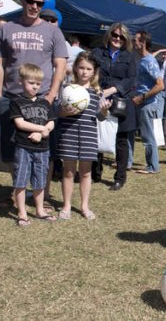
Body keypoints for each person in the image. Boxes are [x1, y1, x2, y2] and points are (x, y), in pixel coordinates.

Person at [0, 0, 68, 202]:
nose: (34, 6)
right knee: (12, 152)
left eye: (39, 3)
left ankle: (39, 197)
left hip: (42, 99)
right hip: (12, 97)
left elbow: (60, 66)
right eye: (30, 1)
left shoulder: (53, 31)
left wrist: (51, 97)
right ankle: (18, 195)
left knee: (43, 151)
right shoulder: (6, 28)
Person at [58, 52, 111, 220]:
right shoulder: (67, 89)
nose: (84, 72)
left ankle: (84, 206)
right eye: (81, 68)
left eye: (89, 69)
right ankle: (66, 205)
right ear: (75, 68)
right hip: (69, 134)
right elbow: (57, 112)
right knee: (68, 171)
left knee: (86, 172)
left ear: (94, 72)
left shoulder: (98, 92)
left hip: (88, 136)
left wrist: (104, 111)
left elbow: (100, 118)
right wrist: (65, 112)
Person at [91, 23, 137, 190]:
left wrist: (111, 90)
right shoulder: (97, 53)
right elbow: (91, 73)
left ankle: (120, 177)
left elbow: (131, 79)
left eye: (121, 37)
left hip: (121, 102)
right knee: (97, 136)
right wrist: (98, 91)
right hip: (100, 99)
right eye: (115, 35)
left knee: (121, 141)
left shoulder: (130, 56)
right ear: (109, 35)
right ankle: (94, 173)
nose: (117, 39)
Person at [9, 64, 56, 226]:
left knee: (40, 180)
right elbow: (20, 123)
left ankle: (40, 209)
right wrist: (41, 129)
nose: (35, 86)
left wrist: (43, 132)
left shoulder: (45, 103)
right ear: (22, 81)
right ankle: (22, 212)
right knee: (21, 180)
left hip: (43, 148)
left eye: (38, 83)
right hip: (23, 147)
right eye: (31, 83)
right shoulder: (16, 102)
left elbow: (51, 123)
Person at [132, 30, 165, 174]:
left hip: (148, 103)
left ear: (143, 43)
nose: (133, 43)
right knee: (144, 134)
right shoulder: (143, 60)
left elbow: (160, 85)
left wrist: (142, 97)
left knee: (148, 135)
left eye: (136, 40)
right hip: (141, 103)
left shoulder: (149, 61)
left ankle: (152, 166)